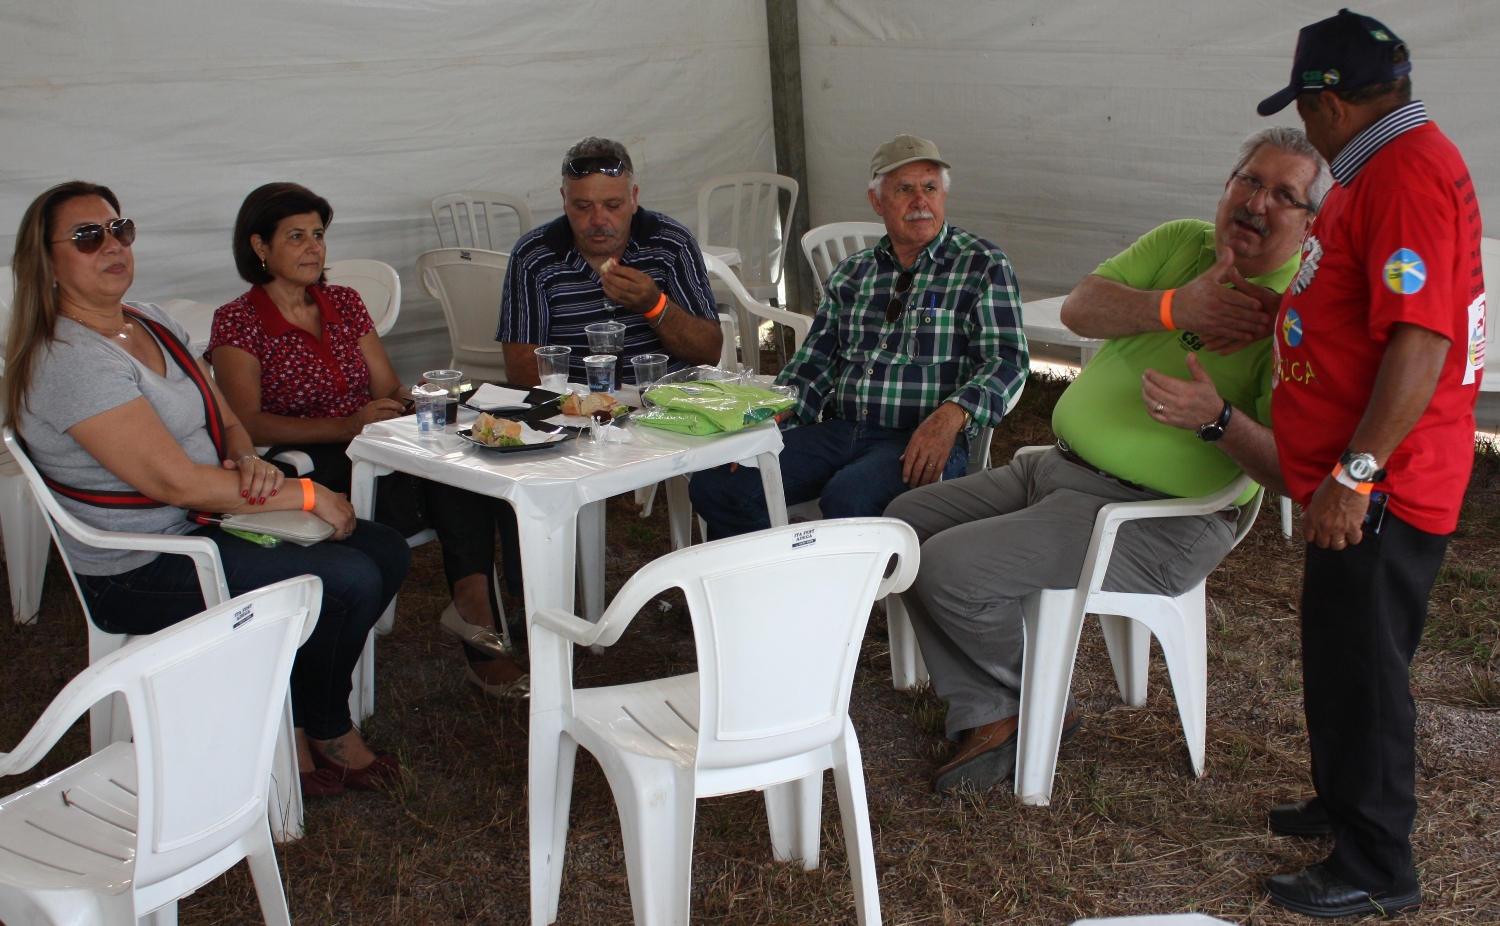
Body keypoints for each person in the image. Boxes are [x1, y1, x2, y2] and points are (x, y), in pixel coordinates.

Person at [884, 127, 1329, 795]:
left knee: (950, 567)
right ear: (1227, 185)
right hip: (1057, 470)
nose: (1257, 203)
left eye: (1285, 195)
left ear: (1311, 222)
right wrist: (1176, 306)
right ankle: (999, 702)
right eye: (1250, 181)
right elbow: (1080, 308)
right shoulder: (1181, 243)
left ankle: (1024, 711)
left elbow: (1293, 472)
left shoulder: (1298, 311)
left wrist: (1216, 418)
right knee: (903, 524)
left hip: (1157, 517)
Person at [6, 180, 412, 798]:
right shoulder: (70, 360)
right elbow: (174, 481)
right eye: (88, 237)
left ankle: (302, 715)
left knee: (384, 550)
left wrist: (249, 461)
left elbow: (226, 418)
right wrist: (306, 495)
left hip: (209, 520)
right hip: (141, 563)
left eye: (120, 229)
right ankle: (323, 729)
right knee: (347, 576)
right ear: (47, 260)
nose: (112, 245)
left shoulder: (150, 321)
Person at [1256, 11, 1482, 918]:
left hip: (1386, 483)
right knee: (1339, 653)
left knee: (1367, 674)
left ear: (1332, 102)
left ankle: (1378, 862)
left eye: (1305, 110)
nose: (1306, 127)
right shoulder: (1379, 164)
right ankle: (1344, 803)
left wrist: (1356, 474)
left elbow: (1422, 341)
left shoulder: (1404, 174)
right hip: (1359, 476)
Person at [208, 183, 529, 701]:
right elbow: (247, 422)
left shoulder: (343, 302)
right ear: (259, 246)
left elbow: (387, 388)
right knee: (449, 479)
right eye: (296, 236)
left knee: (460, 459)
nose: (314, 247)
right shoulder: (238, 321)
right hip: (307, 466)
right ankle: (479, 621)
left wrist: (429, 400)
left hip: (371, 446)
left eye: (318, 235)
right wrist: (346, 426)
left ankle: (476, 610)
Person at [689, 135, 1027, 537]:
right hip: (842, 430)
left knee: (849, 497)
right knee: (719, 484)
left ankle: (833, 575)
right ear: (877, 201)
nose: (920, 201)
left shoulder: (982, 265)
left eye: (930, 188)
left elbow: (1007, 361)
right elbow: (813, 364)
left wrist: (951, 416)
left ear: (943, 195)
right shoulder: (853, 272)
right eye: (905, 189)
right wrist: (761, 423)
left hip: (918, 438)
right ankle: (779, 572)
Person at [497, 136, 721, 386]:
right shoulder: (533, 255)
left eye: (613, 206)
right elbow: (521, 368)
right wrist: (578, 404)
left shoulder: (670, 242)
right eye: (583, 206)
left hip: (665, 399)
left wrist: (655, 305)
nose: (598, 219)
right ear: (564, 201)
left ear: (634, 198)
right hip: (573, 403)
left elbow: (709, 353)